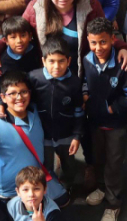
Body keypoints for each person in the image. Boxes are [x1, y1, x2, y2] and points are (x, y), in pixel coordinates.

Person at [0, 0, 127, 79]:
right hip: (47, 76)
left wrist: (122, 48)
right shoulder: (35, 8)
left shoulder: (90, 6)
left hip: (81, 75)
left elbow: (104, 34)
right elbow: (16, 32)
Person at [81, 18, 127, 221]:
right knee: (98, 157)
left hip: (116, 125)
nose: (98, 47)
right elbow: (85, 82)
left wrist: (111, 108)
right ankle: (103, 188)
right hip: (95, 122)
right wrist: (85, 95)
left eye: (103, 42)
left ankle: (114, 203)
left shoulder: (123, 64)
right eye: (93, 42)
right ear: (88, 40)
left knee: (114, 163)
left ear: (113, 39)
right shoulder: (86, 60)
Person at [26, 37, 84, 191]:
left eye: (61, 61)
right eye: (51, 61)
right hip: (42, 134)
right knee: (45, 166)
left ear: (69, 61)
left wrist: (77, 136)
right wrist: (1, 104)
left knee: (69, 164)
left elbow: (79, 111)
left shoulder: (74, 82)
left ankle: (67, 187)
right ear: (43, 61)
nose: (56, 66)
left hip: (66, 135)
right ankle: (49, 191)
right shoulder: (34, 78)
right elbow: (17, 91)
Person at [0, 17, 41, 120]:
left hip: (34, 106)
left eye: (23, 35)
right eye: (13, 37)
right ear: (5, 41)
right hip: (11, 110)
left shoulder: (36, 52)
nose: (19, 41)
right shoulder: (0, 64)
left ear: (30, 36)